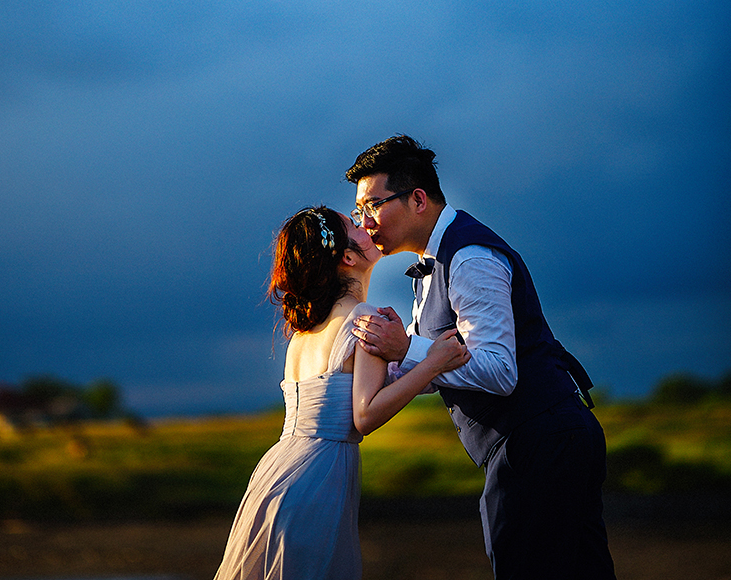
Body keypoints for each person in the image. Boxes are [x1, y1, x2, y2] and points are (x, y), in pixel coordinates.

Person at [347, 135, 616, 580]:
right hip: (542, 440)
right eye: (360, 211)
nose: (366, 222)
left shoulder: (469, 257)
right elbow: (434, 361)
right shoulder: (432, 263)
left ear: (418, 199)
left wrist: (406, 349)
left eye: (373, 205)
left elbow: (500, 372)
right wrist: (385, 361)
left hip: (537, 442)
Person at [213, 204, 468, 580]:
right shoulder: (364, 318)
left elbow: (348, 397)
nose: (367, 224)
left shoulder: (303, 334)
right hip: (317, 478)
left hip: (276, 472)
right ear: (348, 257)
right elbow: (365, 415)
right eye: (355, 224)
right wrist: (433, 363)